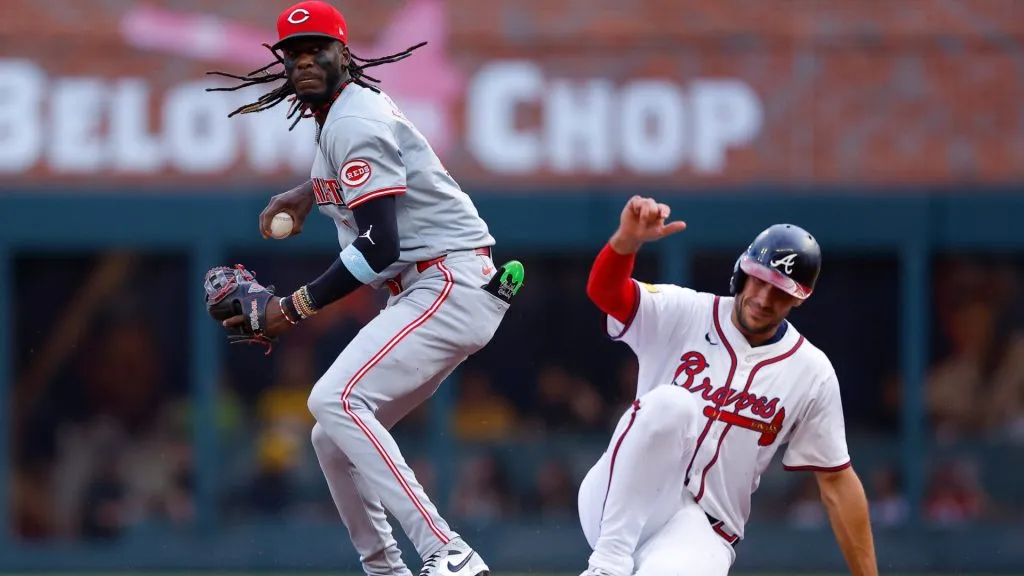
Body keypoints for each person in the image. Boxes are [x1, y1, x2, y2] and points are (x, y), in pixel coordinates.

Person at [206, 2, 524, 575]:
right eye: (293, 54)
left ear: (344, 54)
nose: (304, 61)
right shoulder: (346, 115)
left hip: (445, 281)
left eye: (317, 49)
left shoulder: (352, 120)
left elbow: (380, 244)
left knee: (334, 399)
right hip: (438, 286)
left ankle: (445, 550)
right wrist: (310, 191)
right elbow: (380, 168)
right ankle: (384, 569)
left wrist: (289, 309)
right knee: (331, 436)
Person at [578, 196, 878, 576]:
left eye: (782, 291)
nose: (765, 299)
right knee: (673, 404)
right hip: (618, 501)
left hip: (702, 532)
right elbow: (606, 294)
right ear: (742, 271)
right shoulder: (684, 310)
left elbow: (836, 481)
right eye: (761, 280)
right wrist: (625, 242)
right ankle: (605, 567)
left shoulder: (811, 372)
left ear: (799, 300)